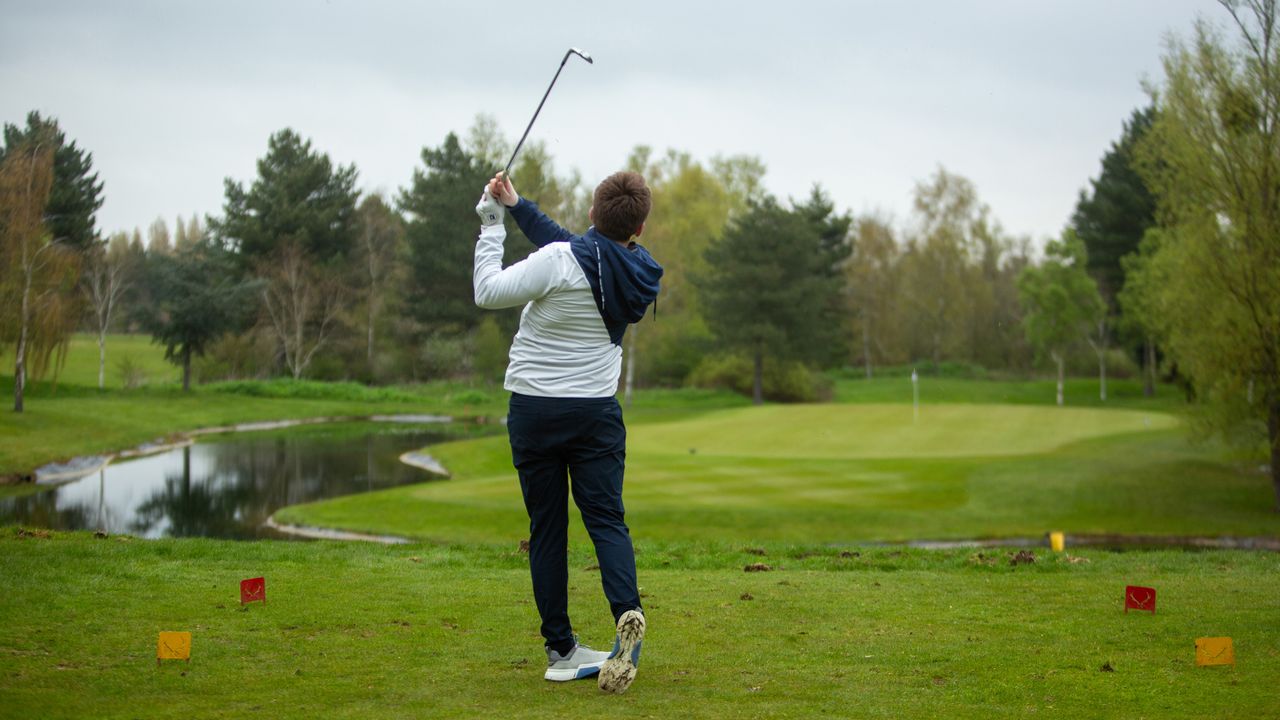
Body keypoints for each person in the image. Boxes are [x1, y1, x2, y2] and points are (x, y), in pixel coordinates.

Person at [473, 170, 662, 694]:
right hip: (595, 415)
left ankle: (560, 650)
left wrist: (493, 222)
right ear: (639, 226)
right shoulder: (641, 270)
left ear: (590, 215)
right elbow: (580, 250)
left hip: (535, 413)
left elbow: (487, 291)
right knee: (607, 521)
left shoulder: (559, 261)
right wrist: (519, 205)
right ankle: (627, 613)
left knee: (548, 530)